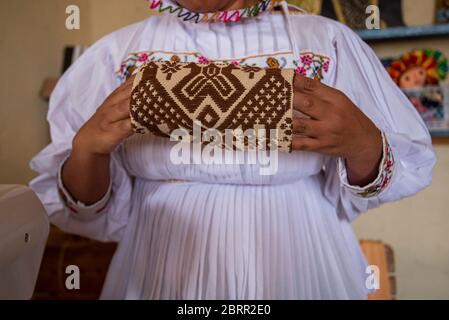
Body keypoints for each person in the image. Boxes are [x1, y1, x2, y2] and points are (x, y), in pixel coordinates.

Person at [30, 0, 436, 299]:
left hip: (301, 261)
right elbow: (81, 207)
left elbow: (405, 165)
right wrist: (88, 149)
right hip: (160, 269)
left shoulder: (329, 43)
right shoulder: (115, 55)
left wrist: (363, 142)